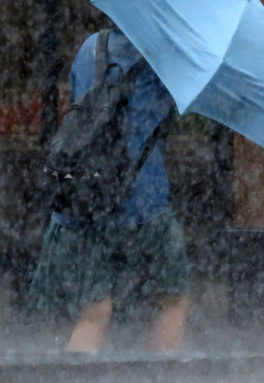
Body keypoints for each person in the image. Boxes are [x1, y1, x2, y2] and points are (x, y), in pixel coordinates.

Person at [29, 28, 190, 353]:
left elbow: (80, 103)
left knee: (94, 313)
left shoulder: (92, 46)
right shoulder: (169, 56)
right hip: (142, 202)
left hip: (86, 197)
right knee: (173, 298)